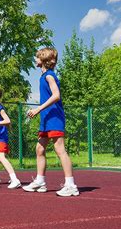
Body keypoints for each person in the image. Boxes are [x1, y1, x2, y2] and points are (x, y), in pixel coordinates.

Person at [23, 47, 79, 197]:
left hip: (54, 118)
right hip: (46, 119)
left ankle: (71, 185)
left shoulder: (49, 76)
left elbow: (56, 96)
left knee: (60, 149)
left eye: (37, 57)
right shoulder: (43, 77)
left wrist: (37, 109)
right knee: (39, 149)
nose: (35, 59)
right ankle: (40, 182)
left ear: (43, 60)